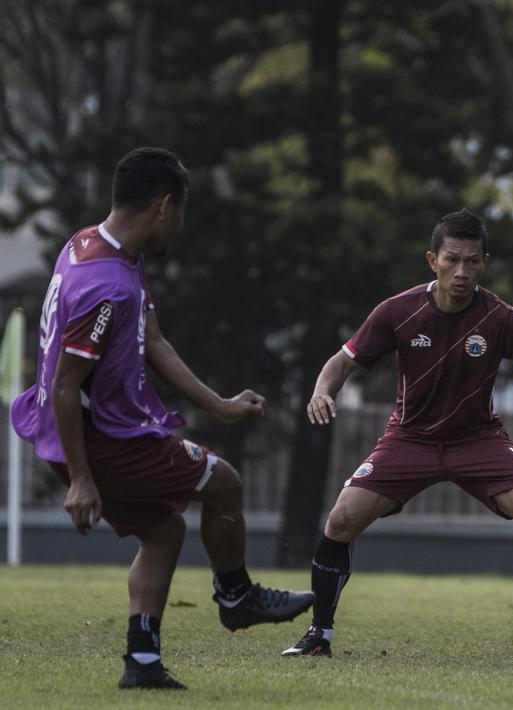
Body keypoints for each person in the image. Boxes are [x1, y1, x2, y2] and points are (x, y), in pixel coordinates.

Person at [280, 209, 513, 664]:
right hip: (409, 439)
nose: (461, 271)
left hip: (479, 440)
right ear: (432, 260)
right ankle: (318, 635)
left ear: (484, 263)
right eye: (452, 260)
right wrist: (322, 390)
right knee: (340, 520)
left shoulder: (501, 318)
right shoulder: (397, 311)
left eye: (472, 261)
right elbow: (341, 363)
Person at [10, 147, 314, 691]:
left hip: (73, 433)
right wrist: (80, 479)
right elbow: (65, 384)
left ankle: (143, 660)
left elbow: (154, 340)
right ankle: (237, 596)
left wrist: (218, 405)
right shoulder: (105, 286)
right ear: (164, 206)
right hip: (99, 440)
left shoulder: (94, 245)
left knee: (163, 529)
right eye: (182, 212)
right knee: (224, 483)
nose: (180, 225)